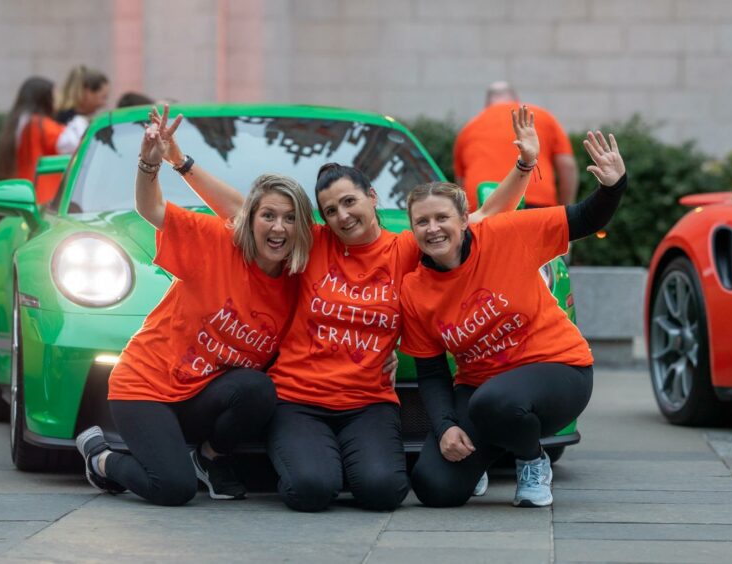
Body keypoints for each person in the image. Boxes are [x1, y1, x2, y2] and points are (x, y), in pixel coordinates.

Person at [149, 104, 540, 512]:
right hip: (298, 398)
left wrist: (525, 164)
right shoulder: (313, 242)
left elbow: (485, 217)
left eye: (349, 201)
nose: (342, 215)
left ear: (372, 197)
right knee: (311, 491)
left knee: (383, 493)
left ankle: (338, 463)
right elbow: (243, 213)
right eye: (330, 210)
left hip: (367, 400)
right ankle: (305, 462)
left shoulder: (407, 247)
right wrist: (181, 161)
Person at [75, 106, 314, 506]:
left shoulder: (300, 275)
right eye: (268, 215)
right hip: (144, 386)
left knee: (257, 389)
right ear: (248, 221)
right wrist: (151, 165)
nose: (278, 228)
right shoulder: (217, 243)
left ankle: (211, 459)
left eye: (290, 219)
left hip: (202, 395)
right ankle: (100, 458)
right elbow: (151, 210)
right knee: (173, 488)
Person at [400, 130, 627, 508]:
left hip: (559, 371)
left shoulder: (506, 234)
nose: (433, 228)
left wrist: (613, 186)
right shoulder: (415, 288)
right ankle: (482, 459)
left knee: (495, 401)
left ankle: (531, 459)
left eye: (442, 218)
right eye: (422, 222)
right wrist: (445, 427)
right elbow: (432, 373)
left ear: (464, 220)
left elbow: (585, 219)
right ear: (413, 228)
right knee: (433, 488)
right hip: (483, 392)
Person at [454, 81, 578, 210]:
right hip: (536, 202)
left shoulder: (468, 128)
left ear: (486, 105)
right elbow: (567, 166)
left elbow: (460, 182)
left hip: (483, 204)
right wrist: (565, 209)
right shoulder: (540, 116)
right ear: (516, 100)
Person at [0, 76, 87, 202]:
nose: (58, 99)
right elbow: (73, 145)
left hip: (23, 194)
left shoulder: (20, 122)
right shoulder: (39, 124)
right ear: (44, 99)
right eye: (54, 95)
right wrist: (79, 122)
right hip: (43, 197)